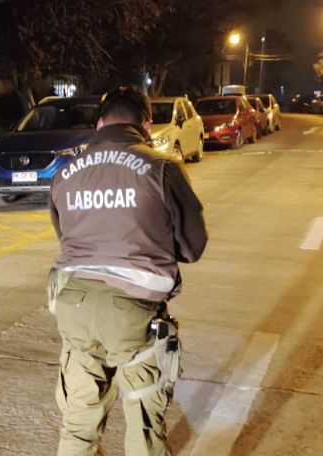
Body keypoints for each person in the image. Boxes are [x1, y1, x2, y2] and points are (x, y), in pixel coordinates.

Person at [48, 86, 208, 456]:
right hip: (134, 316)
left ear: (100, 123)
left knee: (77, 426)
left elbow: (65, 237)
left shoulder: (66, 172)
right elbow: (192, 247)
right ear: (146, 126)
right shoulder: (162, 168)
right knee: (144, 426)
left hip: (74, 309)